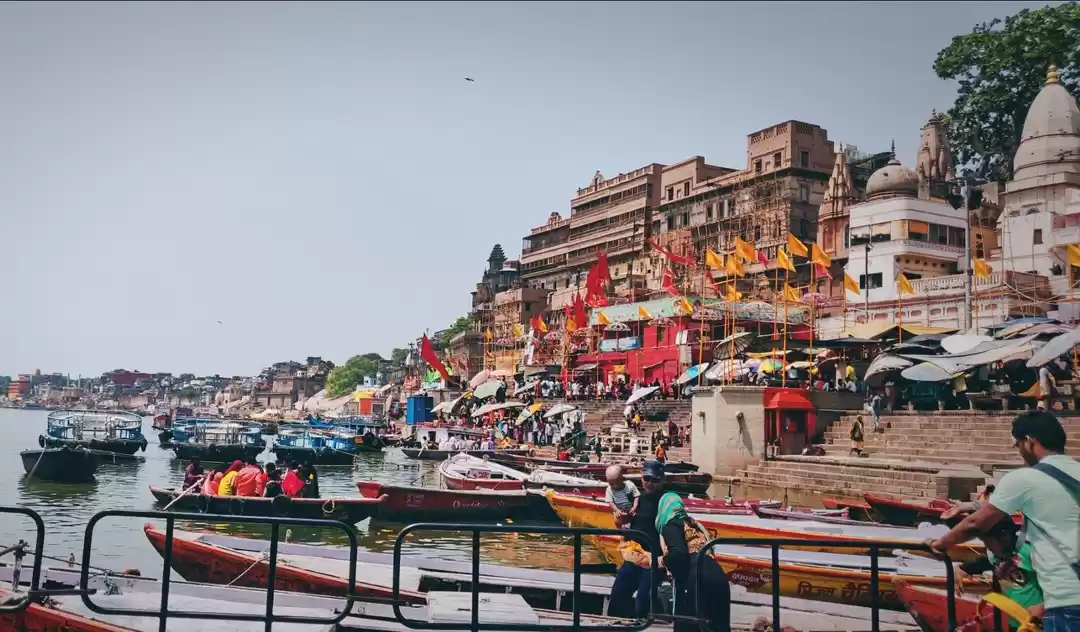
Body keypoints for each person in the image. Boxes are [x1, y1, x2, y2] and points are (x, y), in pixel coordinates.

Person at [929, 411, 1079, 631]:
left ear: (1029, 442)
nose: (1019, 451)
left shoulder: (1025, 478)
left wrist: (939, 545)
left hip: (1067, 603)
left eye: (1017, 444)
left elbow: (976, 524)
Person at [655, 493, 731, 632]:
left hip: (697, 578)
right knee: (717, 626)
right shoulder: (695, 524)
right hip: (718, 576)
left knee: (689, 625)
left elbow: (678, 554)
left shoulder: (672, 525)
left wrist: (663, 560)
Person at [953, 513, 1043, 628]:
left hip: (1040, 621)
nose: (988, 547)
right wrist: (962, 569)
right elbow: (985, 562)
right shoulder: (993, 554)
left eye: (989, 542)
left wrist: (1043, 607)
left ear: (1004, 536)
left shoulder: (1029, 551)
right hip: (1016, 621)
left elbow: (1062, 582)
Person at [609, 460, 667, 619]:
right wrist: (620, 522)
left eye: (655, 480)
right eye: (646, 479)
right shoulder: (637, 499)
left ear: (662, 481)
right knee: (617, 595)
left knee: (643, 599)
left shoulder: (666, 501)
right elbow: (626, 528)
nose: (650, 483)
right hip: (634, 557)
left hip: (653, 561)